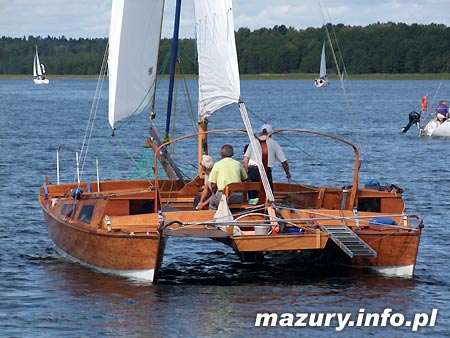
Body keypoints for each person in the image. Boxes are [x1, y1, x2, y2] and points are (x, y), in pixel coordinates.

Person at [243, 124, 291, 197]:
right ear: (270, 134)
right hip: (265, 171)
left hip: (252, 171)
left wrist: (247, 173)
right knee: (268, 196)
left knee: (252, 195)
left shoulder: (253, 142)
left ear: (260, 133)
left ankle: (252, 206)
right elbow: (284, 162)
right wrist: (287, 173)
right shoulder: (274, 143)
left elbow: (245, 159)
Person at [208, 144, 248, 210]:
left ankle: (212, 218)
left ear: (221, 154)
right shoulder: (238, 164)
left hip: (223, 195)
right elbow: (245, 179)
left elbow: (213, 185)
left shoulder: (217, 165)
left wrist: (214, 193)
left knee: (212, 203)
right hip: (238, 195)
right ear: (232, 154)